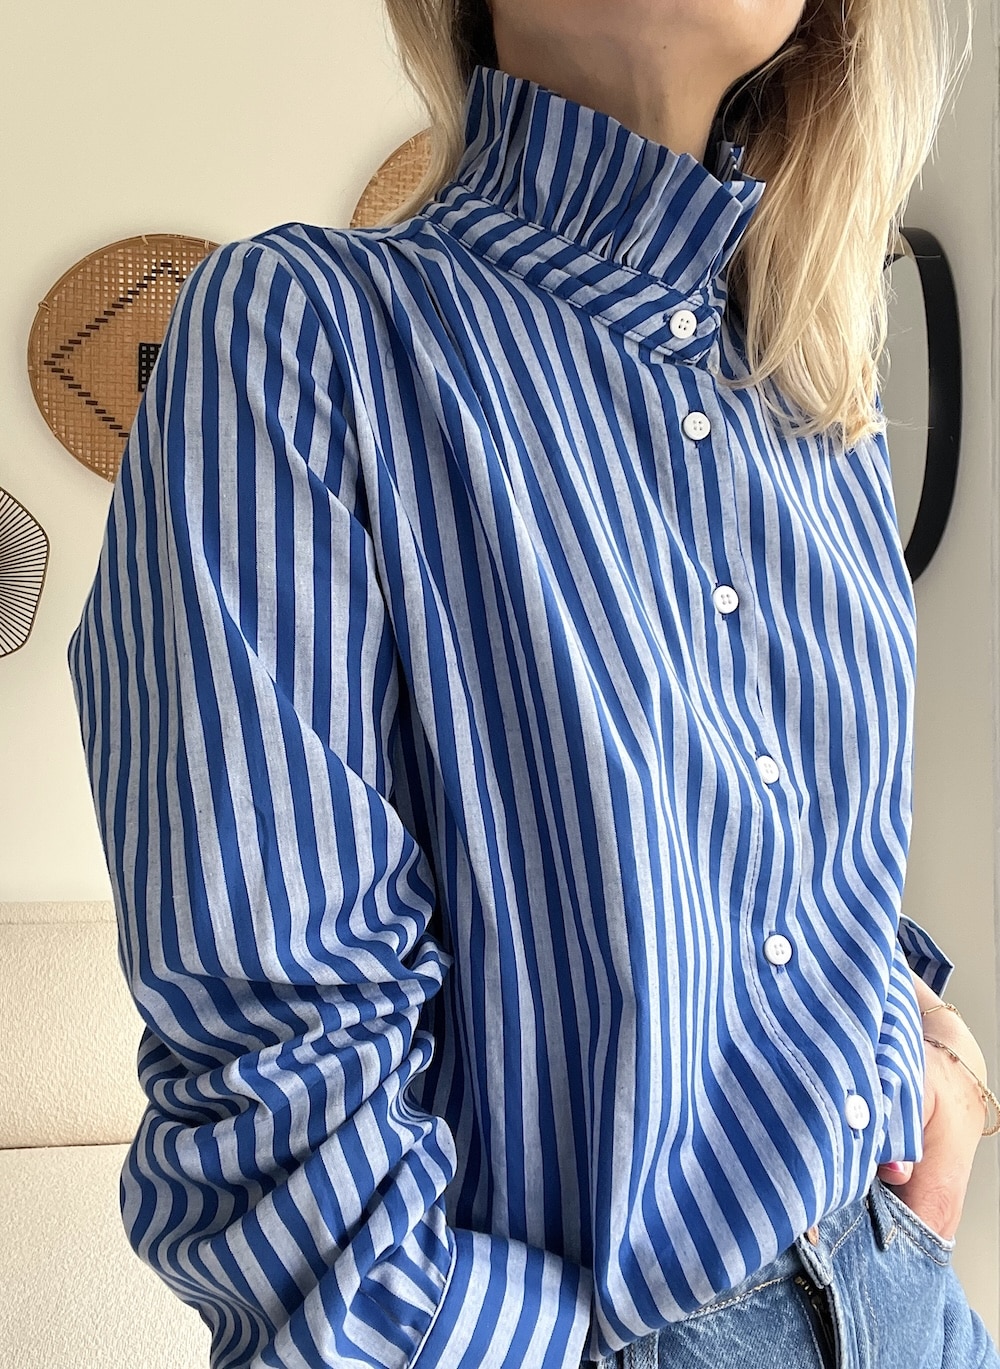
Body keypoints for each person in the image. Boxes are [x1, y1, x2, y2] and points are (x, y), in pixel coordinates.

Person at [66, 0, 1000, 1365]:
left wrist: (937, 1056)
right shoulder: (303, 334)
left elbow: (804, 872)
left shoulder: (821, 417)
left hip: (915, 1303)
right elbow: (285, 1111)